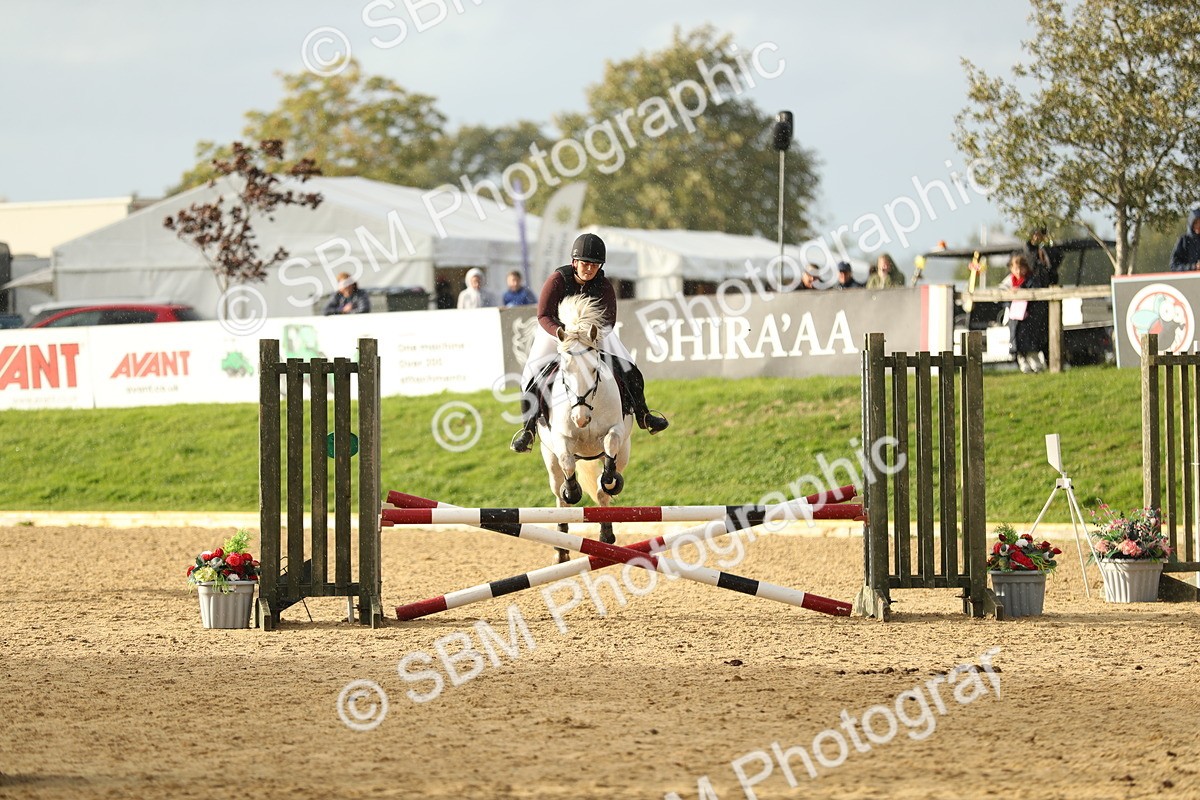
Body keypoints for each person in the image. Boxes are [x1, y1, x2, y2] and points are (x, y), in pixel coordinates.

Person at [510, 233, 668, 453]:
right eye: (585, 263)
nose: (589, 269)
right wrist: (560, 332)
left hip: (593, 335)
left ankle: (644, 415)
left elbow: (609, 320)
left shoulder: (602, 285)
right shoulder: (557, 280)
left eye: (595, 265)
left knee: (628, 365)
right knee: (531, 372)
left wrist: (590, 336)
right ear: (574, 262)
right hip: (557, 332)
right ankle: (528, 430)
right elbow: (543, 315)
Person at [1001, 252, 1049, 373]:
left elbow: (1036, 298)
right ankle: (1024, 366)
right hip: (1015, 320)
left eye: (1020, 268)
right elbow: (1001, 296)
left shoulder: (1031, 280)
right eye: (1015, 268)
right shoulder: (1008, 282)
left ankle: (1037, 366)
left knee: (1030, 345)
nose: (1018, 271)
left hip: (1029, 319)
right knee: (1017, 344)